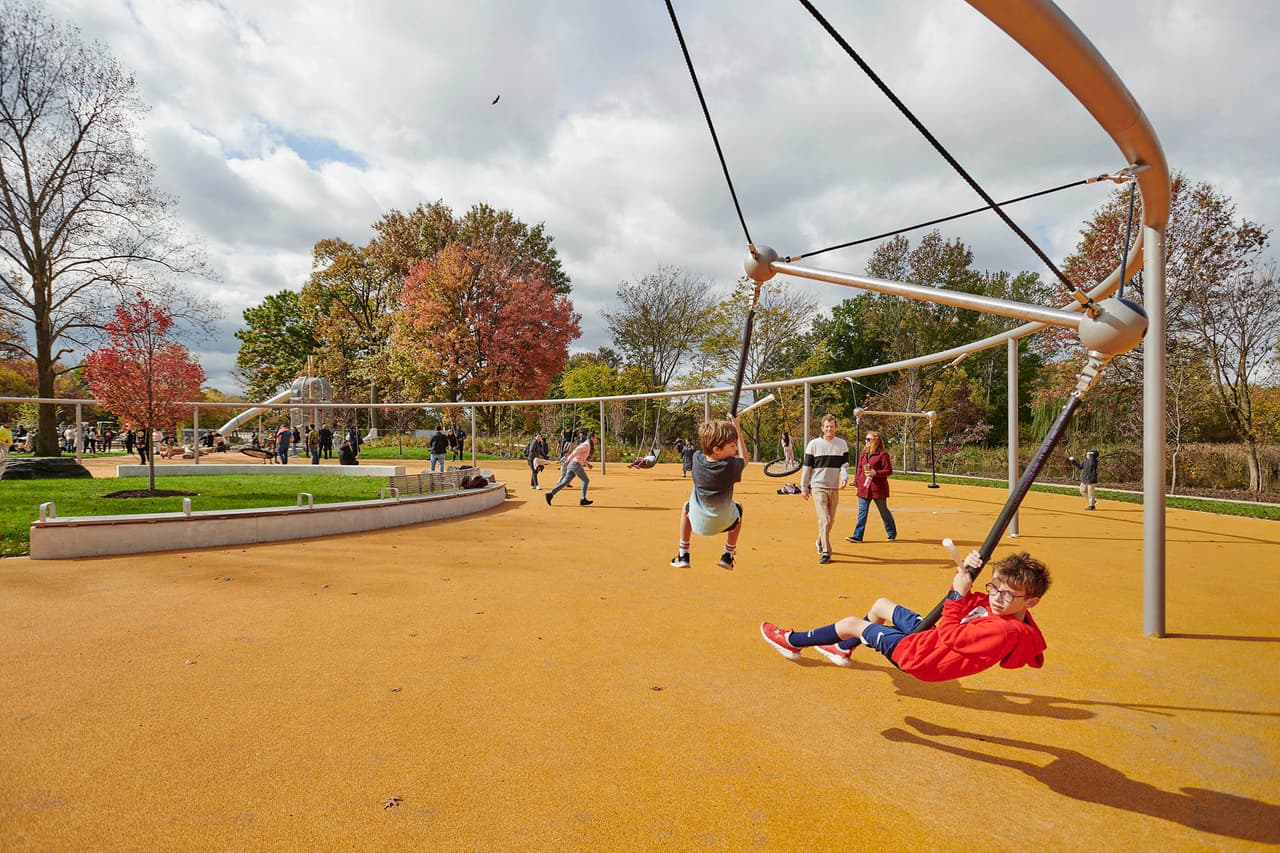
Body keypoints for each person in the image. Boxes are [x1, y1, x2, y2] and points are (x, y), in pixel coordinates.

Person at [760, 549, 1050, 681]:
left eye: (1008, 595)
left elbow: (951, 632)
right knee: (880, 605)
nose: (997, 598)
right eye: (994, 588)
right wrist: (967, 571)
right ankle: (841, 649)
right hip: (930, 638)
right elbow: (970, 602)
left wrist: (956, 593)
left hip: (920, 657)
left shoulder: (1004, 631)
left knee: (851, 623)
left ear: (1032, 602)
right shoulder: (1001, 607)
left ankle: (792, 641)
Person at [669, 416, 747, 570]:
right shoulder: (730, 466)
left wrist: (725, 431)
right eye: (732, 446)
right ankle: (728, 554)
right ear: (717, 449)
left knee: (686, 507)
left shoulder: (697, 459)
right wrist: (737, 428)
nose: (735, 449)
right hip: (725, 524)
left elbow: (706, 449)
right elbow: (745, 459)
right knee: (739, 508)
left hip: (697, 524)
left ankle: (683, 554)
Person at [801, 414, 850, 564]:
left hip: (834, 486)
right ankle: (826, 552)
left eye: (832, 426)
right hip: (818, 486)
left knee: (831, 520)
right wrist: (804, 486)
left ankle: (820, 540)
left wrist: (844, 477)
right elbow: (807, 467)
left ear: (836, 427)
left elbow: (844, 465)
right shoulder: (813, 444)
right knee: (825, 518)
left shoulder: (842, 444)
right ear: (822, 428)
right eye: (827, 426)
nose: (829, 429)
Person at [848, 430, 896, 543]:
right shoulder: (863, 453)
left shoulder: (883, 455)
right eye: (866, 439)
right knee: (862, 511)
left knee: (883, 511)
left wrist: (876, 473)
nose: (866, 441)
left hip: (877, 489)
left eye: (869, 439)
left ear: (876, 441)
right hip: (864, 488)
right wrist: (856, 483)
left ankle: (891, 532)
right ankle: (858, 536)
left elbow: (888, 471)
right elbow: (859, 469)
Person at [545, 431, 595, 506]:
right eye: (595, 438)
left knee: (565, 482)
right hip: (576, 464)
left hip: (574, 464)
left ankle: (550, 494)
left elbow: (580, 456)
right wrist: (568, 460)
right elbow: (575, 451)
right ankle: (583, 499)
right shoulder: (586, 445)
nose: (596, 440)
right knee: (586, 480)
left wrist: (587, 464)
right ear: (592, 438)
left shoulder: (587, 445)